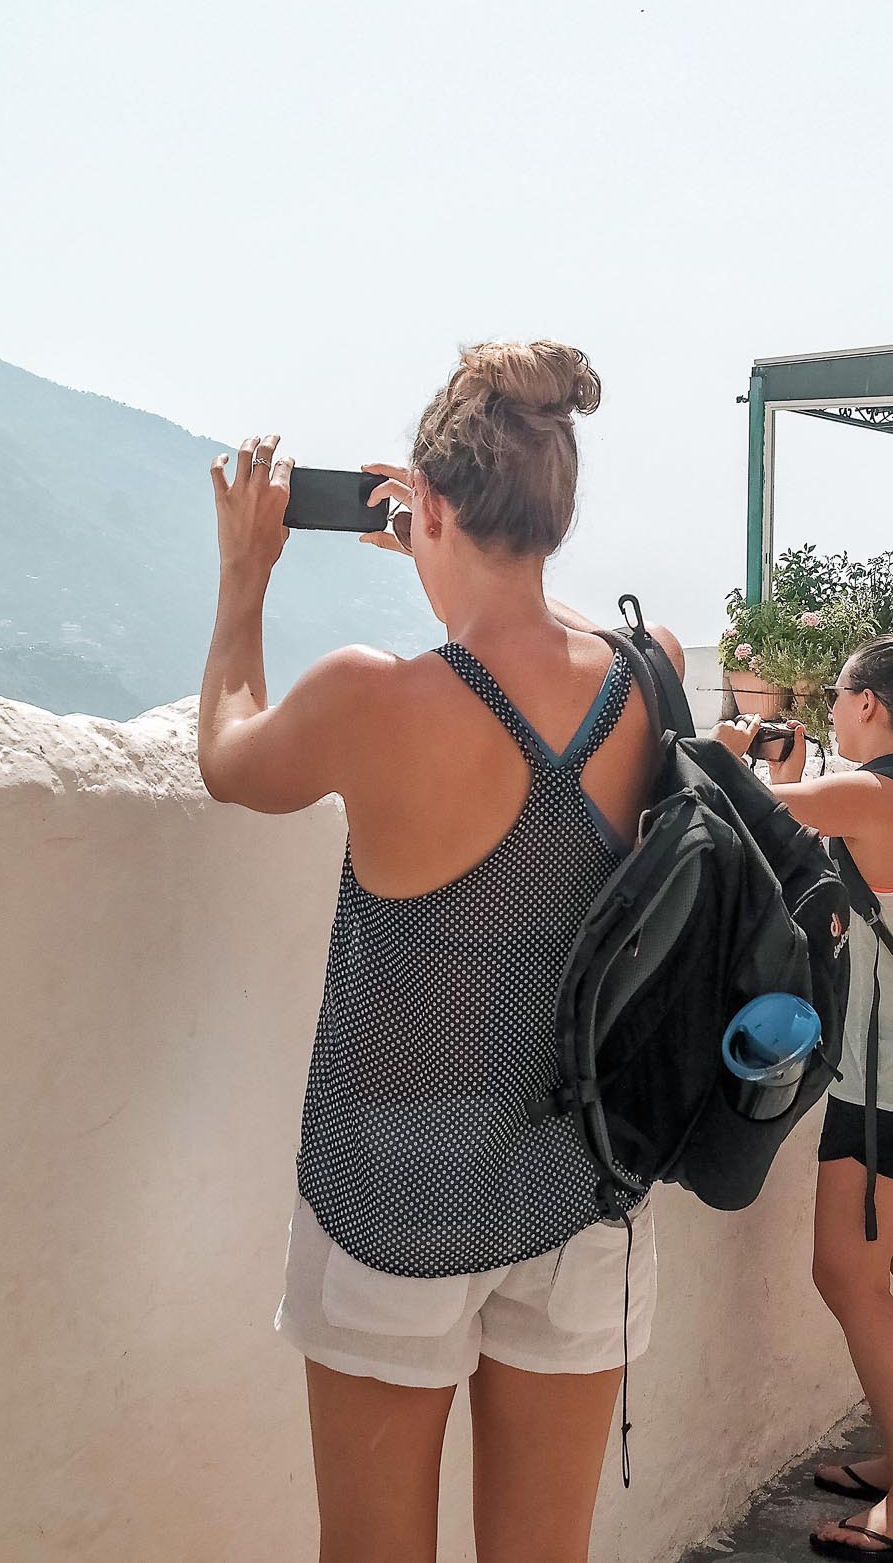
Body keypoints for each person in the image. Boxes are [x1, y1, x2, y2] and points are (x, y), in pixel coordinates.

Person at [198, 341, 677, 1563]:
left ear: (432, 499)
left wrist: (244, 576)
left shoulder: (373, 694)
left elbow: (230, 758)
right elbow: (543, 634)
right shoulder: (649, 676)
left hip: (393, 1188)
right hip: (582, 1178)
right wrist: (463, 552)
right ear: (555, 514)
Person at [719, 639, 893, 1563]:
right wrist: (800, 775)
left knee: (845, 1274)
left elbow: (733, 813)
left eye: (841, 695)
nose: (832, 707)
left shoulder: (873, 796)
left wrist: (733, 748)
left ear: (872, 706)